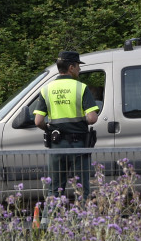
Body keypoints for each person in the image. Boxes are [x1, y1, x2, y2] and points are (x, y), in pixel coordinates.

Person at [34, 50, 99, 200]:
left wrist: (49, 128)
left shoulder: (46, 89)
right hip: (78, 146)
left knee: (54, 190)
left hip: (56, 146)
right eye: (78, 66)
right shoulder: (81, 88)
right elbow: (92, 118)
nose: (79, 69)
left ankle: (47, 222)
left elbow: (38, 121)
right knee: (81, 190)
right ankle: (81, 222)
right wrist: (81, 120)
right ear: (71, 67)